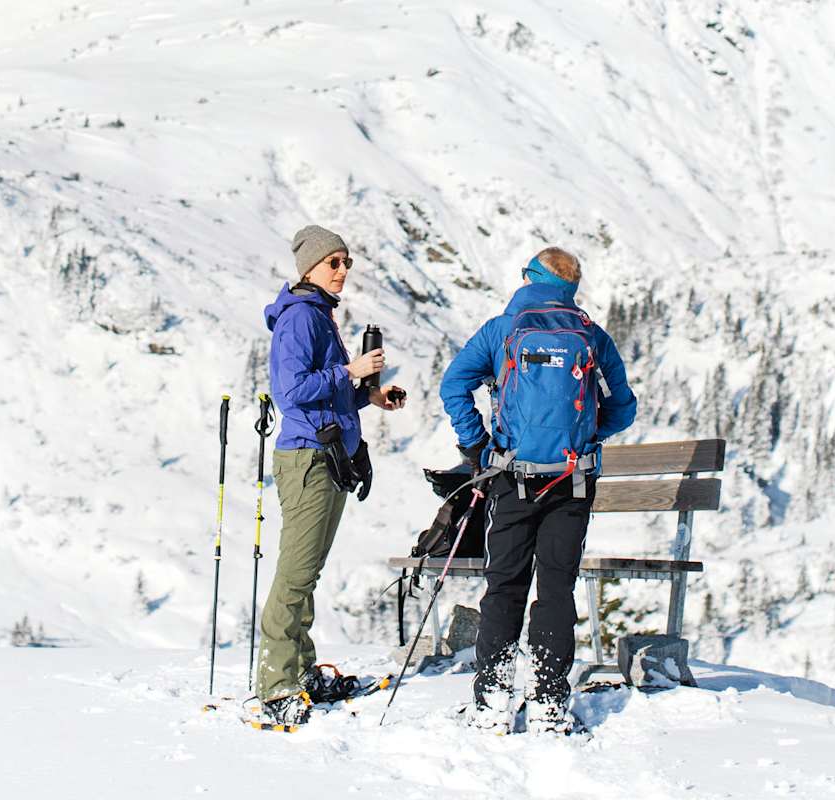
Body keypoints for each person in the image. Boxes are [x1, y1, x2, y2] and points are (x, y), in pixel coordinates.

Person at [439, 247, 636, 734]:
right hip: (573, 480)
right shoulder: (589, 333)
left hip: (511, 475)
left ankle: (492, 699)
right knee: (555, 589)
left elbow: (454, 385)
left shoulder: (503, 330)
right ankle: (549, 700)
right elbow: (625, 407)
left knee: (504, 584)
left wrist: (479, 446)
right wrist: (589, 436)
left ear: (529, 278)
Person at [256, 224, 407, 725]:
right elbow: (291, 390)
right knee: (295, 576)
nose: (343, 271)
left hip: (329, 457)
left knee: (308, 573)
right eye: (334, 262)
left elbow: (329, 392)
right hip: (307, 458)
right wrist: (352, 371)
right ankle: (277, 684)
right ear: (309, 267)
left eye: (347, 262)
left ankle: (299, 674)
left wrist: (371, 395)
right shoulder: (301, 318)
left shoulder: (320, 315)